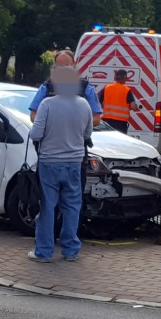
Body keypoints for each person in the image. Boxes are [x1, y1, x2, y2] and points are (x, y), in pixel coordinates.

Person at [27, 65, 93, 263]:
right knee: (72, 206)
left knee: (48, 205)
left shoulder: (47, 104)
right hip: (74, 162)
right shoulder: (84, 105)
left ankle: (44, 252)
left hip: (50, 162)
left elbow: (35, 134)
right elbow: (88, 134)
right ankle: (70, 250)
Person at [29, 49, 102, 127]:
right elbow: (33, 116)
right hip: (51, 137)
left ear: (74, 64)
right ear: (55, 66)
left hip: (78, 137)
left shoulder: (86, 88)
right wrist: (50, 124)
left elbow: (96, 119)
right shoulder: (46, 87)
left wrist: (74, 126)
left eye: (67, 65)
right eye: (60, 66)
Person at [97, 69, 142, 134]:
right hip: (121, 124)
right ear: (125, 78)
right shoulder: (127, 90)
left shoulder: (107, 88)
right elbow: (133, 106)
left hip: (107, 122)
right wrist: (135, 108)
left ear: (115, 77)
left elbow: (98, 103)